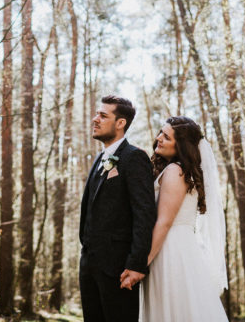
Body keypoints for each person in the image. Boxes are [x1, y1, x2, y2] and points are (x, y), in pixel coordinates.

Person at [140, 116, 229, 322]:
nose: (159, 138)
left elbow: (164, 221)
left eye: (167, 137)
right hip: (181, 247)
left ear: (180, 146)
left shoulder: (174, 170)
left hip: (169, 251)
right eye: (161, 132)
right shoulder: (182, 171)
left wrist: (142, 263)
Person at [79, 95, 156, 322]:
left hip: (119, 269)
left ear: (120, 123)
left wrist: (136, 264)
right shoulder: (99, 158)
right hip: (89, 266)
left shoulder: (134, 157)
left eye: (103, 115)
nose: (95, 119)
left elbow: (144, 214)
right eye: (96, 114)